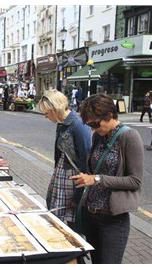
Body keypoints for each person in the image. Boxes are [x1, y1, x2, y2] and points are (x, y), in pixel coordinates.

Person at [70, 93, 144, 264]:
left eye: (96, 123)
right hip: (91, 215)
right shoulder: (98, 136)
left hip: (113, 220)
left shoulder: (129, 136)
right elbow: (92, 169)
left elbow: (135, 181)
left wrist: (97, 179)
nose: (94, 129)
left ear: (109, 115)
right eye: (90, 125)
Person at [37, 89, 92, 226]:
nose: (45, 116)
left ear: (55, 109)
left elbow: (86, 161)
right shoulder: (61, 124)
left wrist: (78, 195)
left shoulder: (79, 125)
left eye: (46, 113)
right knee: (56, 220)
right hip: (62, 177)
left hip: (73, 181)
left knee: (73, 224)